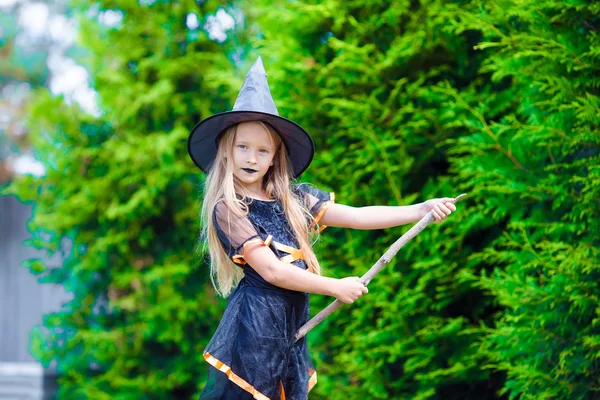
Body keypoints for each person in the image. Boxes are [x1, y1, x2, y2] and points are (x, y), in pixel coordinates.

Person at [188, 57, 456, 400]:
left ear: (274, 157)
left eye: (262, 150)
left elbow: (358, 216)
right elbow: (272, 271)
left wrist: (420, 209)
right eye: (243, 147)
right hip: (254, 332)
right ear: (226, 151)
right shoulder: (228, 208)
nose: (251, 158)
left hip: (289, 329)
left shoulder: (292, 200)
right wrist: (334, 287)